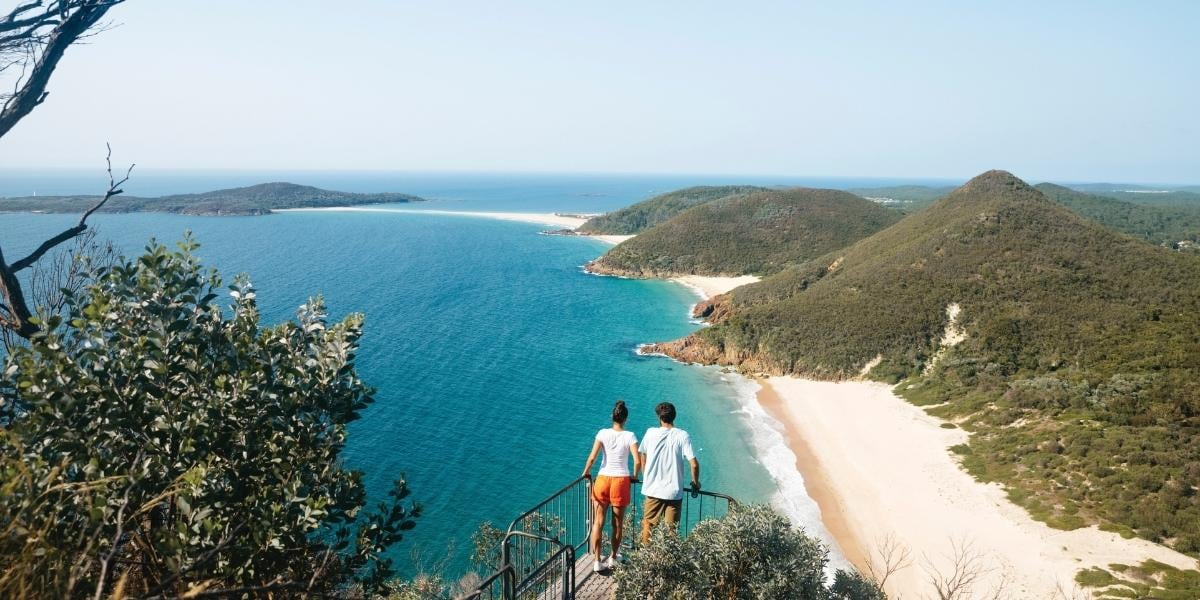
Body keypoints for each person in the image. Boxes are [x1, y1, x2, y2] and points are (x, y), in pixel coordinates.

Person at [581, 400, 640, 573]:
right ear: (626, 419)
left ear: (611, 417)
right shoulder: (630, 436)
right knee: (617, 524)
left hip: (602, 480)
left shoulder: (602, 433)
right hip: (621, 481)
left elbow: (592, 458)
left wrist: (585, 472)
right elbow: (637, 461)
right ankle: (613, 557)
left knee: (598, 522)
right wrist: (634, 476)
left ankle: (597, 561)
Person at [637, 401, 700, 545]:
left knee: (648, 524)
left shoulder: (650, 432)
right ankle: (669, 562)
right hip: (674, 492)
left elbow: (643, 455)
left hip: (652, 489)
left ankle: (645, 559)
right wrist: (696, 483)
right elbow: (694, 464)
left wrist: (646, 476)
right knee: (671, 530)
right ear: (674, 417)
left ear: (659, 417)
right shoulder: (683, 435)